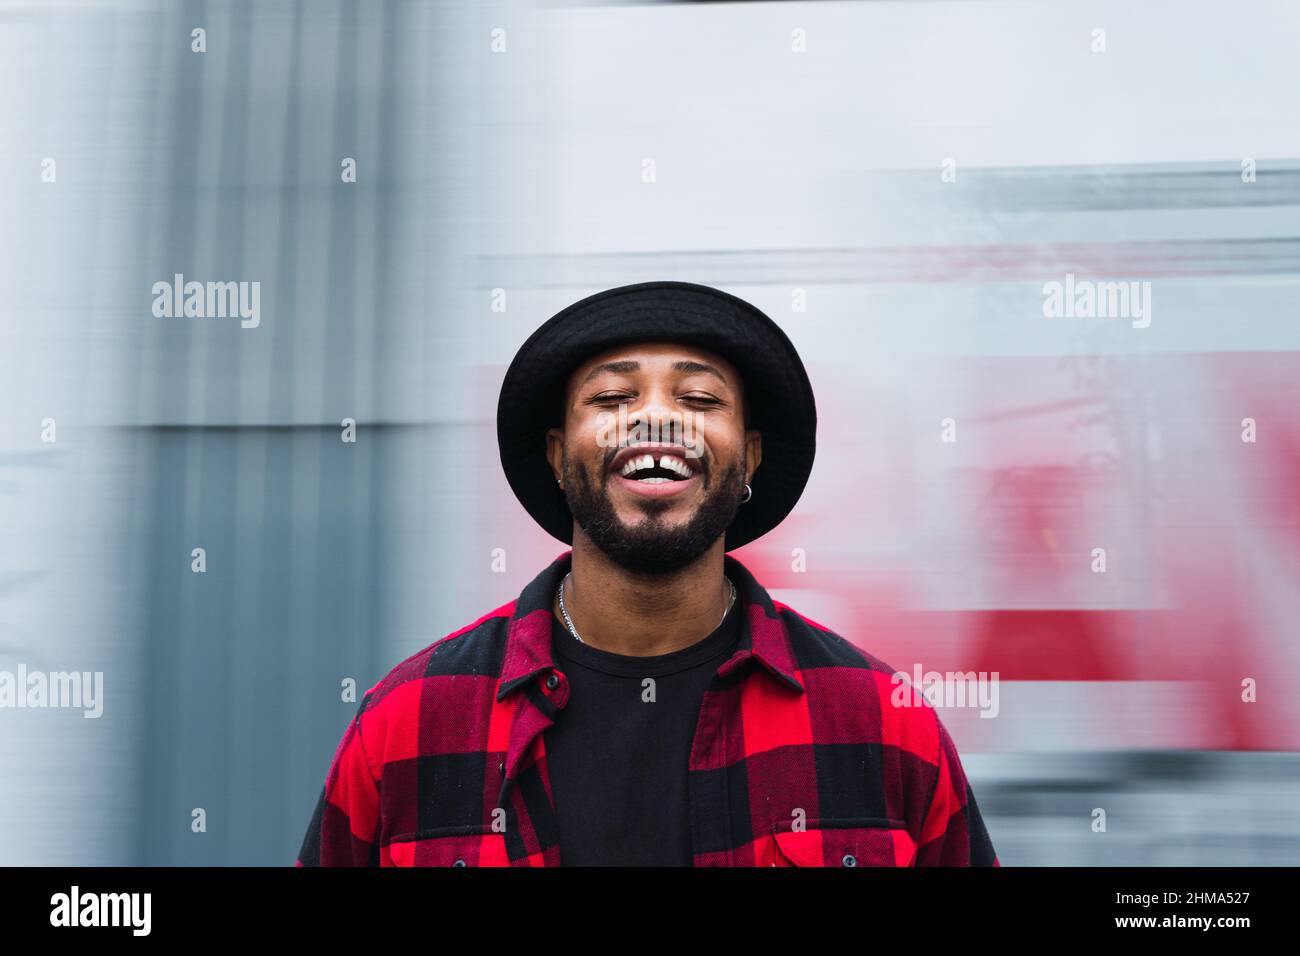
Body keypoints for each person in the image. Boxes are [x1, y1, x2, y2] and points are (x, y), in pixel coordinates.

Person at [296, 280, 998, 866]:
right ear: (556, 455)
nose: (659, 418)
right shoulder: (410, 723)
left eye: (699, 401)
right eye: (610, 399)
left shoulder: (878, 720)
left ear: (749, 458)